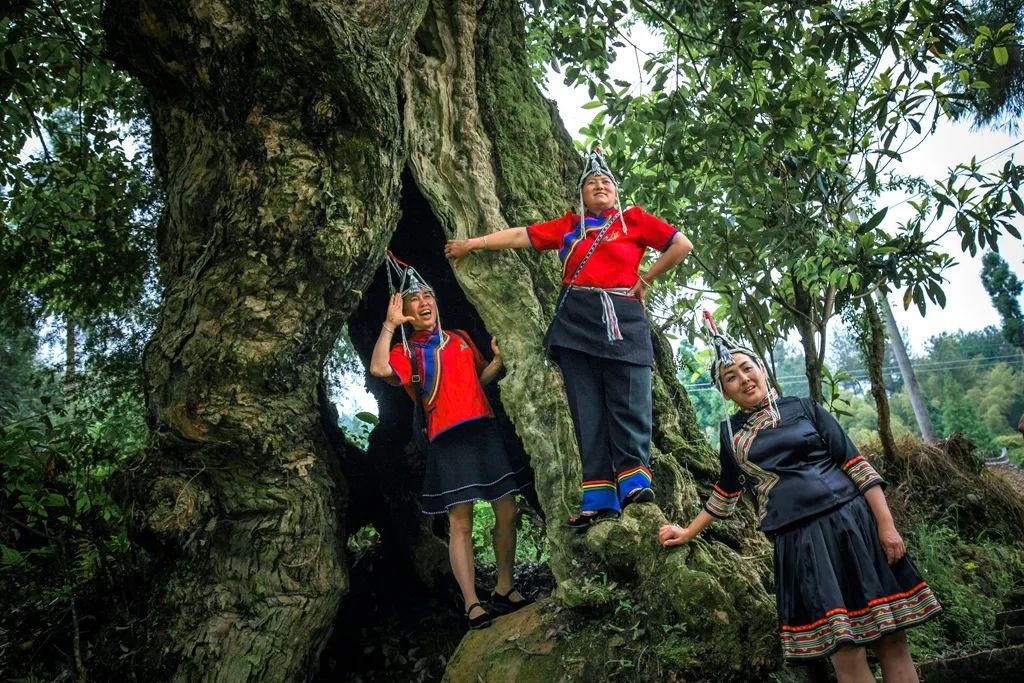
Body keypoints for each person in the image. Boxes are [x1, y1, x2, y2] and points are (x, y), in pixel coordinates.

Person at [658, 326, 942, 681]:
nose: (744, 379)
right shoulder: (731, 435)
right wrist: (686, 532)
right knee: (845, 652)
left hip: (853, 527)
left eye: (748, 368)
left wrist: (886, 525)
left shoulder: (805, 408)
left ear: (762, 369)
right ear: (725, 392)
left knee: (891, 640)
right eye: (731, 377)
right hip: (800, 545)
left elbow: (856, 465)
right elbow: (725, 493)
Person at [444, 148, 692, 529]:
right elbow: (521, 236)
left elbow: (681, 244)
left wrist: (645, 279)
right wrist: (472, 244)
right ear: (581, 194)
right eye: (591, 183)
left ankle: (634, 483)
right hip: (576, 323)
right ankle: (599, 496)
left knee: (629, 402)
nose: (599, 186)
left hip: (621, 317)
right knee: (587, 411)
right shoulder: (569, 226)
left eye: (606, 182)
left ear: (616, 191)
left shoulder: (634, 220)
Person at [369, 262, 532, 630]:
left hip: (483, 430)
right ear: (406, 311)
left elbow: (478, 380)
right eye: (414, 299)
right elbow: (379, 370)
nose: (424, 302)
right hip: (447, 439)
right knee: (460, 523)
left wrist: (499, 362)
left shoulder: (458, 338)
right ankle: (473, 604)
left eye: (428, 296)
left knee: (507, 510)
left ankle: (504, 587)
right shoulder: (407, 351)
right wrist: (390, 325)